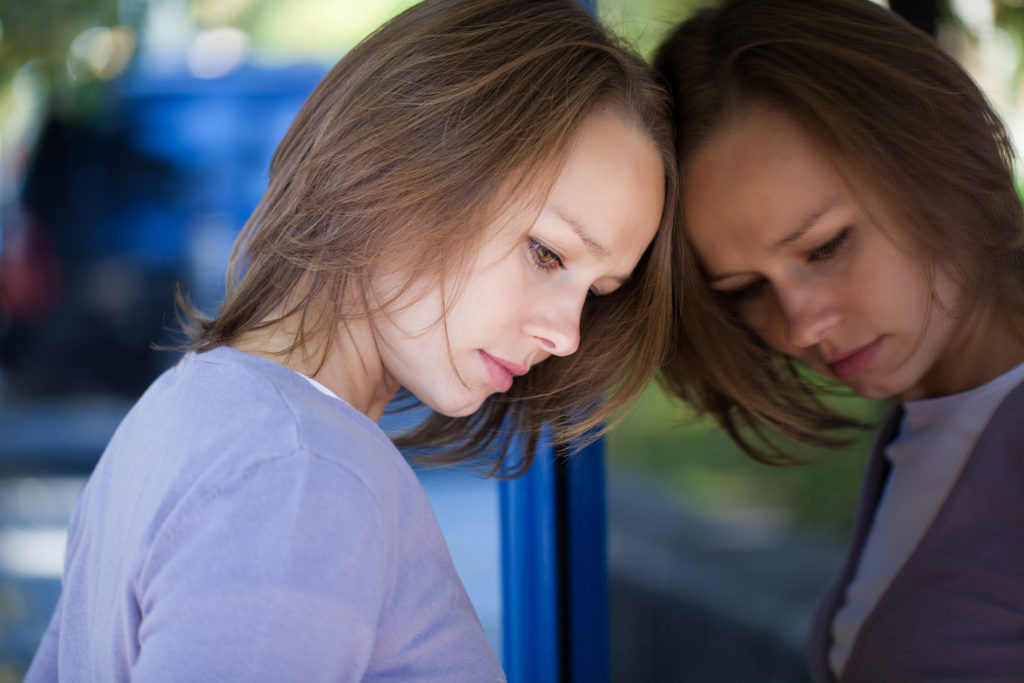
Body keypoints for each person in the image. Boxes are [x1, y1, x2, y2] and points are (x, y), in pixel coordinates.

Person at [26, 0, 678, 679]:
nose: (567, 335)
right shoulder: (300, 473)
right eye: (547, 253)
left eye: (597, 293)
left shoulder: (183, 412)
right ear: (410, 160)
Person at [654, 0, 1024, 681]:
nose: (800, 325)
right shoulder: (925, 424)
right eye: (746, 289)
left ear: (934, 155)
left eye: (826, 247)